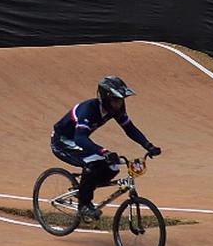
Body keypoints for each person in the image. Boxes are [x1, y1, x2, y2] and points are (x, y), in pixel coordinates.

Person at [50, 75, 162, 221]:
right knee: (93, 162)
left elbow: (130, 128)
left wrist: (148, 145)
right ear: (105, 99)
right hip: (62, 142)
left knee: (113, 166)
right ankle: (84, 205)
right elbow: (80, 138)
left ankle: (85, 187)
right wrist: (104, 152)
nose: (119, 104)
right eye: (116, 100)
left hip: (78, 141)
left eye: (121, 100)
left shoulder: (115, 109)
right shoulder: (89, 110)